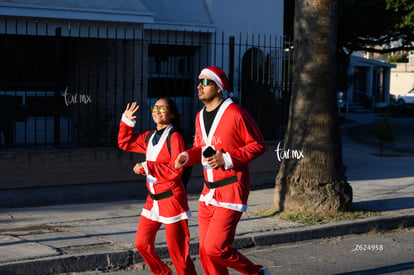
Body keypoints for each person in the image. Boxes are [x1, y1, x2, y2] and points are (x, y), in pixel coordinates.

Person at [175, 66, 269, 275]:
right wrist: (186, 156)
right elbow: (202, 148)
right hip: (208, 192)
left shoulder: (236, 113)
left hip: (232, 189)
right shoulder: (199, 116)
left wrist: (227, 158)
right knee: (205, 253)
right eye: (198, 82)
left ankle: (256, 273)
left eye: (205, 82)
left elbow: (258, 145)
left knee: (215, 248)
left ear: (218, 87)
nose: (199, 86)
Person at [118, 97, 197, 275]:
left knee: (178, 253)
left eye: (163, 108)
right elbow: (124, 142)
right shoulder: (149, 136)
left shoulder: (175, 137)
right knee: (141, 243)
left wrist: (147, 167)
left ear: (171, 115)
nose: (157, 110)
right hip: (152, 200)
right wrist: (126, 121)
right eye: (155, 107)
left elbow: (175, 170)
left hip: (172, 199)